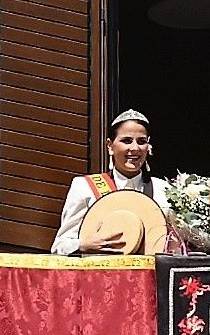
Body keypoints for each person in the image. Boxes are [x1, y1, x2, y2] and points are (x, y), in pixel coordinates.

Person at [50, 109, 171, 255]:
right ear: (110, 146)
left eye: (141, 141)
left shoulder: (164, 189)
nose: (135, 148)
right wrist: (83, 245)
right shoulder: (85, 187)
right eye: (126, 141)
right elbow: (59, 246)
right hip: (101, 276)